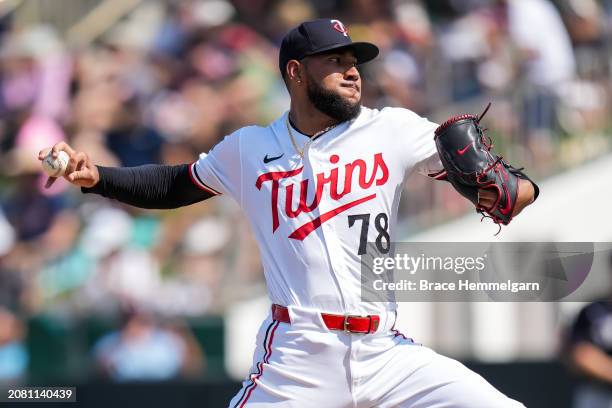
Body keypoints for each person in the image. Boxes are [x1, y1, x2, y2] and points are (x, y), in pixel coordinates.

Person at [39, 18, 534, 407]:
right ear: (296, 73)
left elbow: (508, 186)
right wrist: (99, 177)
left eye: (354, 60)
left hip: (386, 350)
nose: (353, 70)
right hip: (300, 354)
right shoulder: (250, 148)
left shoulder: (392, 129)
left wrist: (514, 189)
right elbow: (175, 184)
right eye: (335, 60)